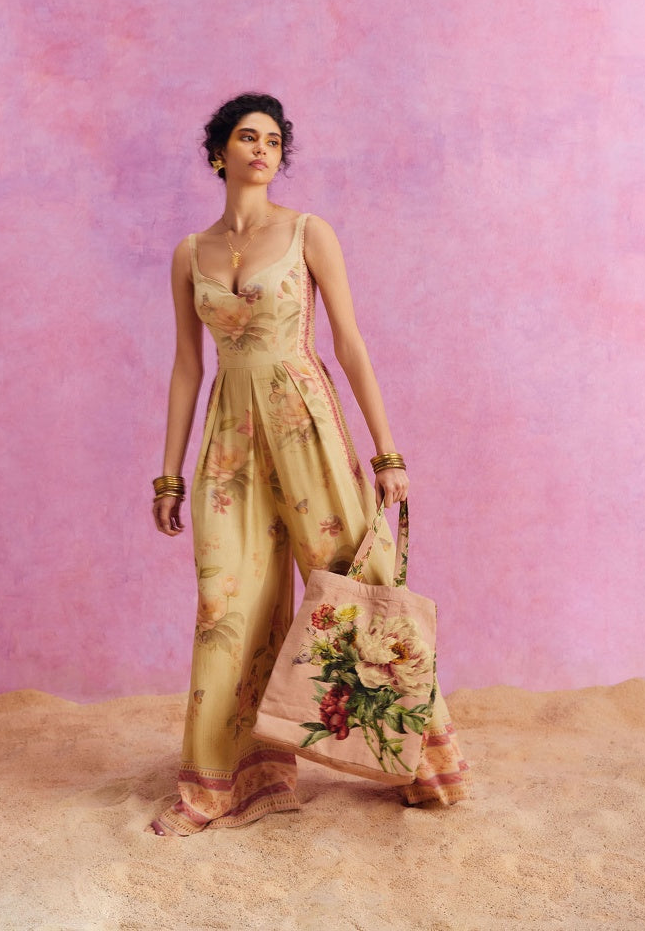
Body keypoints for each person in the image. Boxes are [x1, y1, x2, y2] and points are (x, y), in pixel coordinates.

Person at [150, 93, 468, 835]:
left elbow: (349, 342)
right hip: (230, 438)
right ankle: (231, 779)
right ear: (218, 153)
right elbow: (187, 368)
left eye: (273, 140)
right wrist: (168, 474)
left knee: (356, 583)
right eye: (247, 137)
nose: (262, 149)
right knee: (226, 604)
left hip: (304, 424)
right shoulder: (190, 253)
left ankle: (418, 761)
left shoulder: (306, 232)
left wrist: (388, 453)